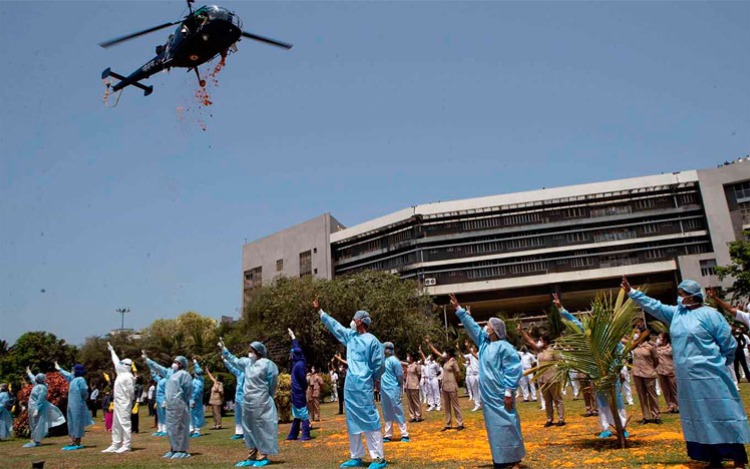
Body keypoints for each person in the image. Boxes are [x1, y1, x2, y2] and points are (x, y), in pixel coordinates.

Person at [624, 276, 750, 468]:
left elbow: (728, 344)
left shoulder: (711, 315)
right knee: (700, 416)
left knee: (723, 412)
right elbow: (654, 306)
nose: (678, 297)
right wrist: (632, 293)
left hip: (712, 375)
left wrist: (721, 363)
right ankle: (713, 458)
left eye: (681, 294)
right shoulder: (676, 314)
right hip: (687, 378)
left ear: (691, 296)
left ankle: (738, 458)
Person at [450, 294, 524, 469]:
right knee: (495, 428)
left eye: (488, 325)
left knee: (508, 424)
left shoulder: (505, 347)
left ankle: (513, 458)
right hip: (488, 396)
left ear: (494, 330)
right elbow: (472, 327)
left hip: (500, 394)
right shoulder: (484, 344)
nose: (485, 327)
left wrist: (508, 392)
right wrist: (459, 310)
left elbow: (513, 370)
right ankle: (500, 458)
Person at [314, 298, 387, 469]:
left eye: (354, 319)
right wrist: (320, 312)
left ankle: (378, 458)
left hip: (363, 385)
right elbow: (335, 327)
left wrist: (370, 377)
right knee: (352, 420)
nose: (352, 321)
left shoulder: (373, 341)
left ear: (361, 321)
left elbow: (380, 365)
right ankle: (356, 456)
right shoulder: (350, 337)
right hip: (350, 386)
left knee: (369, 417)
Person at [553, 294, 627, 439]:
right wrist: (561, 308)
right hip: (596, 372)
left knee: (617, 399)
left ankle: (621, 426)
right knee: (601, 401)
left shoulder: (611, 330)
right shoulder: (589, 331)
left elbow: (619, 351)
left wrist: (620, 369)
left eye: (596, 314)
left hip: (612, 371)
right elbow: (574, 323)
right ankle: (605, 427)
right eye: (593, 314)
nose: (594, 317)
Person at [221, 338, 279, 468]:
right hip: (248, 402)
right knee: (248, 427)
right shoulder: (247, 363)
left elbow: (273, 383)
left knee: (261, 427)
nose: (249, 353)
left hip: (262, 400)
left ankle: (263, 455)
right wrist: (225, 351)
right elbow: (235, 361)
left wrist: (268, 396)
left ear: (258, 351)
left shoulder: (268, 364)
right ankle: (251, 455)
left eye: (251, 351)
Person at [520, 327, 564, 427]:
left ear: (545, 341)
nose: (539, 342)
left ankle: (561, 419)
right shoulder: (539, 350)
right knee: (547, 401)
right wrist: (522, 332)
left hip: (553, 378)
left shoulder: (553, 351)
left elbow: (560, 363)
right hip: (542, 379)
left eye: (541, 340)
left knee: (557, 399)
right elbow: (530, 341)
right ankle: (549, 419)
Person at [425, 338, 464, 431]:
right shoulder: (446, 361)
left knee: (455, 405)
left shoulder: (453, 361)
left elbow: (458, 373)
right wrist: (429, 344)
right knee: (447, 406)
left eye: (446, 352)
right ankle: (448, 424)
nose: (444, 353)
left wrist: (456, 381)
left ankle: (460, 423)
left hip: (451, 385)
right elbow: (437, 352)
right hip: (445, 385)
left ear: (449, 353)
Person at [102, 342, 135, 454]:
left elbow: (131, 392)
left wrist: (129, 402)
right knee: (116, 423)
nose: (119, 364)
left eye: (122, 364)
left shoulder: (128, 377)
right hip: (118, 402)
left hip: (125, 403)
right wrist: (112, 351)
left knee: (125, 423)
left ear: (126, 366)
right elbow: (115, 360)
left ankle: (127, 445)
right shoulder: (120, 373)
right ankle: (115, 444)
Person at [55, 362, 94, 450]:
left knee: (77, 422)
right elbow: (67, 375)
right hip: (71, 404)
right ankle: (71, 440)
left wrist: (84, 398)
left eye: (73, 370)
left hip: (78, 404)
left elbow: (84, 391)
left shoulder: (81, 380)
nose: (72, 371)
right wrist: (59, 369)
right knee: (71, 421)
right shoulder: (73, 379)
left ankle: (77, 441)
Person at [23, 368, 66, 448]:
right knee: (33, 424)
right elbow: (33, 379)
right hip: (32, 407)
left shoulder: (42, 388)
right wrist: (29, 372)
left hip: (37, 408)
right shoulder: (38, 385)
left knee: (37, 424)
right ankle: (34, 440)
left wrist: (37, 409)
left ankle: (36, 441)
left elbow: (41, 399)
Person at [381, 341, 410, 442]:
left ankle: (405, 434)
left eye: (386, 348)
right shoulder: (382, 361)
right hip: (384, 389)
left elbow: (400, 376)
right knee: (386, 411)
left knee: (397, 410)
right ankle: (388, 434)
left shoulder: (395, 361)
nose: (385, 350)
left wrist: (399, 386)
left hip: (393, 388)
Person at [286, 328, 312, 441]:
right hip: (295, 391)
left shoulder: (299, 365)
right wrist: (293, 337)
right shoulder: (297, 362)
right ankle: (293, 433)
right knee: (296, 413)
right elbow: (296, 346)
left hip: (299, 391)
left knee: (302, 412)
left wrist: (303, 388)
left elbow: (302, 379)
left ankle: (306, 434)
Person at [164, 356, 193, 459]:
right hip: (170, 405)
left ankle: (182, 449)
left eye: (177, 362)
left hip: (179, 404)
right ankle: (174, 448)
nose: (175, 364)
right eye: (174, 362)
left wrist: (182, 401)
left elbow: (187, 390)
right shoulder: (172, 374)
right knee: (171, 428)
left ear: (182, 364)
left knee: (180, 427)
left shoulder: (185, 374)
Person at [630, 331, 661, 424]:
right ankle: (646, 416)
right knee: (641, 395)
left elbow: (656, 360)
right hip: (637, 373)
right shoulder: (635, 346)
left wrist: (651, 368)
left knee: (652, 395)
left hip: (648, 373)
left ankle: (656, 415)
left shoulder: (651, 347)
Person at [223, 355, 246, 439]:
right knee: (238, 415)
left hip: (246, 397)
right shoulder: (239, 372)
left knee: (245, 416)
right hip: (238, 397)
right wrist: (225, 360)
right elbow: (231, 368)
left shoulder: (249, 372)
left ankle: (247, 434)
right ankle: (239, 433)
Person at [655, 332, 679, 413]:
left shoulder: (671, 347)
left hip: (670, 371)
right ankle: (670, 405)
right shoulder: (656, 348)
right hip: (661, 371)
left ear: (665, 339)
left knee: (674, 389)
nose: (658, 339)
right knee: (665, 390)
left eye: (660, 337)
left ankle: (677, 405)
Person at [459, 340, 482, 411]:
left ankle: (483, 403)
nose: (472, 348)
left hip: (479, 374)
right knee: (474, 390)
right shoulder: (470, 355)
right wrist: (458, 349)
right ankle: (477, 404)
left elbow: (476, 356)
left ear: (476, 348)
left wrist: (468, 347)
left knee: (481, 390)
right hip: (472, 375)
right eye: (471, 347)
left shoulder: (479, 353)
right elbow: (463, 356)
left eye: (473, 347)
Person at [401, 352, 423, 422]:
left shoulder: (416, 365)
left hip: (414, 385)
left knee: (416, 402)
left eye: (409, 356)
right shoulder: (409, 365)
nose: (408, 358)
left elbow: (419, 375)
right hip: (408, 385)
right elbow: (401, 362)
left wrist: (416, 382)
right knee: (409, 402)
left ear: (412, 357)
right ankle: (412, 416)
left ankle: (418, 416)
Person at [189, 358, 206, 437]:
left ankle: (197, 430)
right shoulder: (198, 379)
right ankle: (192, 429)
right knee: (191, 414)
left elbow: (197, 393)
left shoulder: (198, 382)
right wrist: (195, 361)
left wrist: (193, 400)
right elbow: (197, 368)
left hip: (196, 401)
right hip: (192, 399)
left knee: (197, 415)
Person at [150, 371, 167, 436]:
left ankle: (165, 430)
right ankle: (160, 429)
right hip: (158, 400)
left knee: (163, 415)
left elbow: (167, 390)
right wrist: (152, 368)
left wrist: (165, 400)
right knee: (159, 415)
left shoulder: (166, 380)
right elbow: (154, 376)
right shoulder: (160, 380)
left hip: (163, 399)